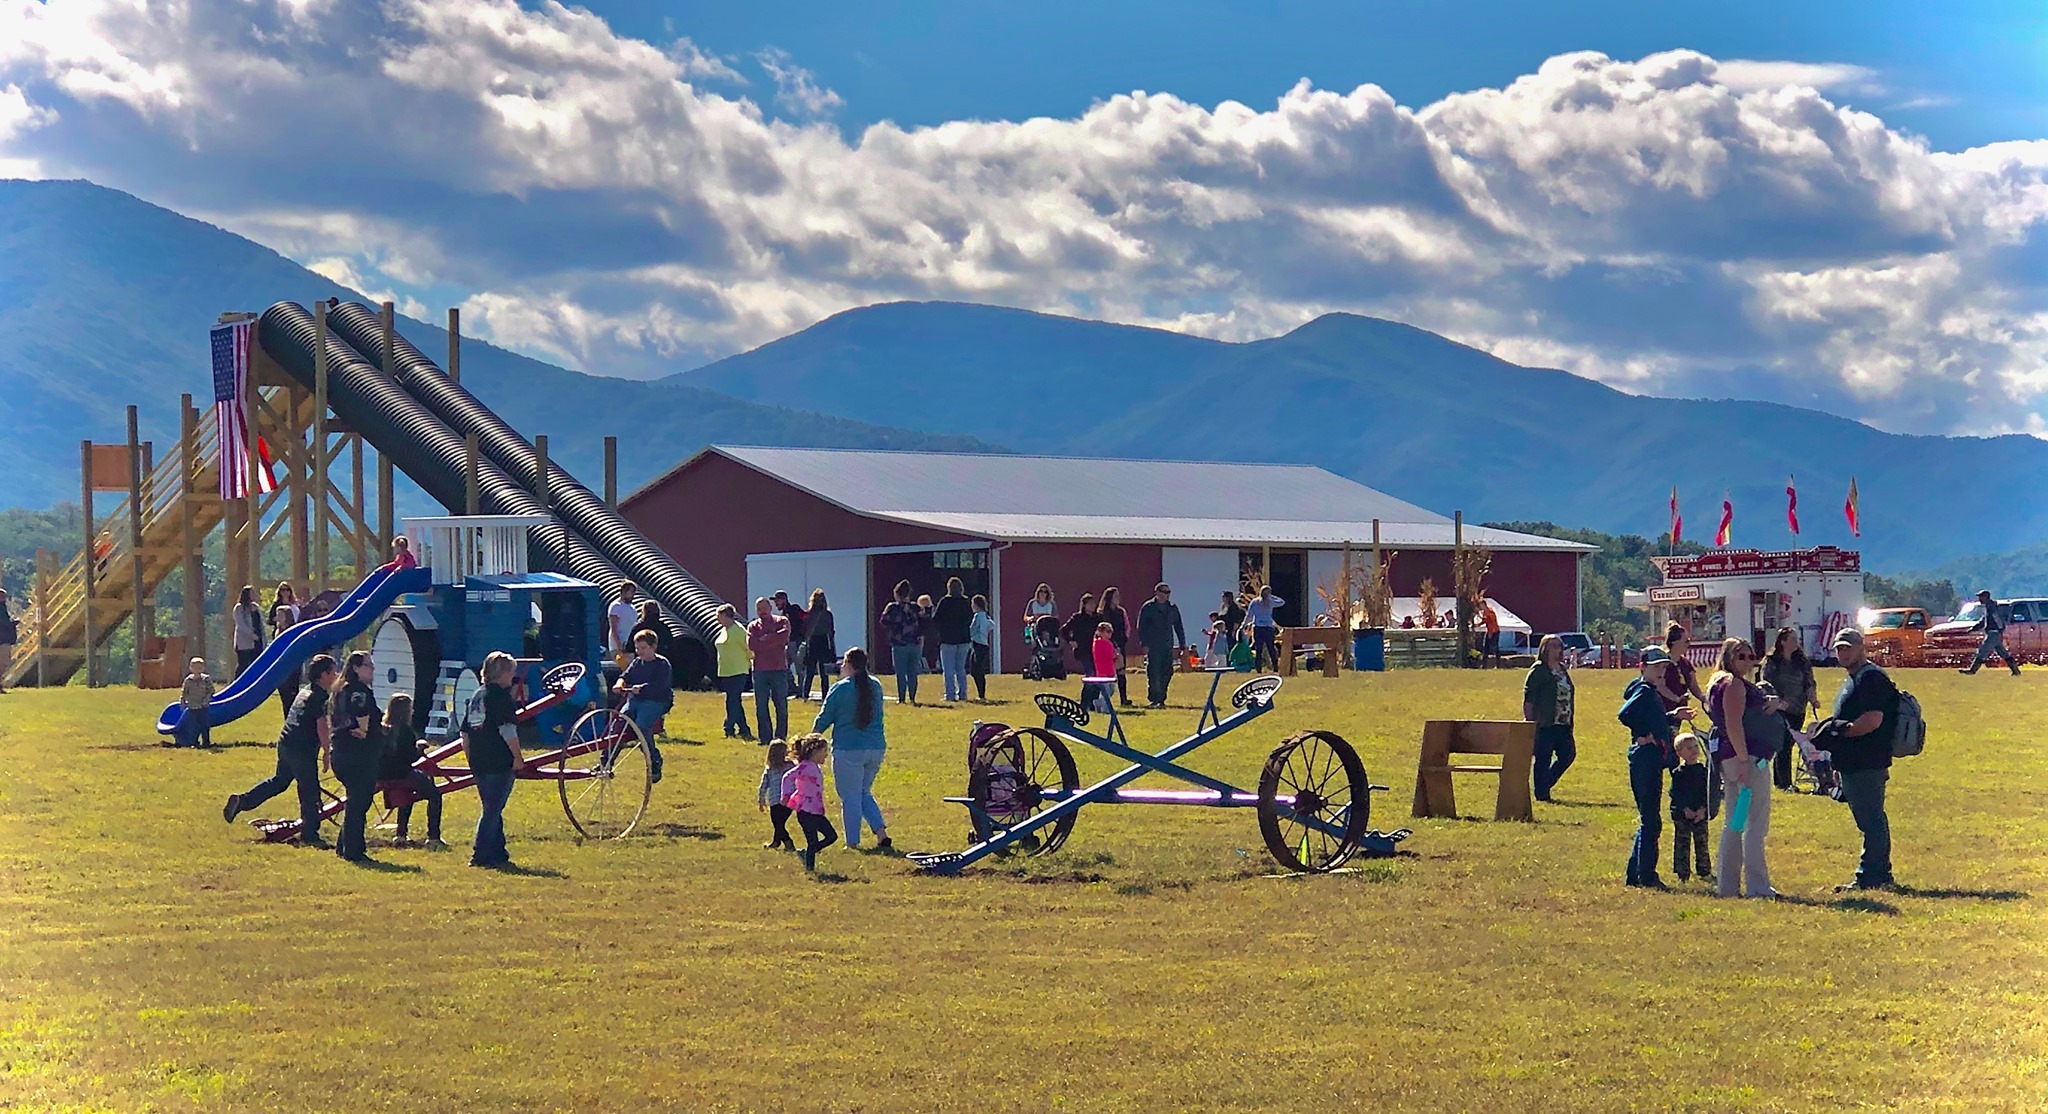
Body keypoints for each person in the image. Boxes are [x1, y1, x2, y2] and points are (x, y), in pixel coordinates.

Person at [1812, 628, 1900, 890]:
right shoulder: (1855, 677)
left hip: (1867, 761)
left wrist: (1841, 731)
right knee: (1869, 819)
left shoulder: (1870, 679)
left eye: (1848, 647)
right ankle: (1877, 873)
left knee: (1871, 820)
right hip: (1854, 761)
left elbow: (1874, 719)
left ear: (1862, 647)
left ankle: (1872, 876)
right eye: (1839, 648)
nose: (1843, 652)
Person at [222, 653, 337, 847]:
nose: (336, 675)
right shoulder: (319, 696)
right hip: (301, 748)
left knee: (280, 782)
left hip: (286, 742)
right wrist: (328, 751)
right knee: (309, 789)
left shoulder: (305, 691)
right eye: (334, 671)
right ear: (324, 675)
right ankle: (310, 835)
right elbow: (321, 726)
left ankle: (243, 801)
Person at [1618, 646, 1693, 888]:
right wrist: (1643, 734)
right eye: (1656, 667)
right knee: (1651, 821)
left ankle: (1635, 875)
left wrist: (1672, 715)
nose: (1661, 671)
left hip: (1648, 758)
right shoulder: (1644, 691)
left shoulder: (1648, 692)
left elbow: (1652, 716)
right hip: (1646, 759)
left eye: (1663, 666)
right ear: (1642, 668)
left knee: (1648, 819)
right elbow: (1625, 714)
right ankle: (1647, 877)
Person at [1706, 638, 1776, 899]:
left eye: (1751, 656)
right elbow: (1733, 723)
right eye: (1741, 657)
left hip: (1730, 758)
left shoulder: (1716, 682)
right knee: (1755, 824)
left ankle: (1728, 886)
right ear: (1728, 657)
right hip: (1746, 760)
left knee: (1735, 822)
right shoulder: (1732, 684)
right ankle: (1758, 887)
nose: (1748, 662)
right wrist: (1745, 759)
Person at [813, 646, 890, 851]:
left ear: (848, 664)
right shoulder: (876, 685)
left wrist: (812, 737)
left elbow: (825, 717)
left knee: (850, 796)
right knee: (863, 791)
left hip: (849, 748)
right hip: (875, 746)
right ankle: (881, 832)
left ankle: (852, 842)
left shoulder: (840, 688)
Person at [462, 651, 523, 868]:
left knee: (491, 806)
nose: (512, 677)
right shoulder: (501, 698)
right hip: (498, 760)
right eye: (511, 673)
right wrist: (517, 757)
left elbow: (465, 734)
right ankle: (480, 854)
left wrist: (470, 759)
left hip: (479, 760)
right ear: (503, 673)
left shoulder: (478, 695)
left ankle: (499, 852)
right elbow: (507, 730)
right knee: (492, 810)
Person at [331, 650, 385, 863]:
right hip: (357, 755)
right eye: (368, 666)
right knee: (359, 803)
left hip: (341, 752)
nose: (372, 670)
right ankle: (353, 851)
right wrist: (364, 730)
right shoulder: (359, 692)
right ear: (355, 668)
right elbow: (362, 719)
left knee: (355, 801)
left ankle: (343, 845)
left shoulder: (339, 689)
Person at [380, 694, 443, 849]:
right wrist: (419, 749)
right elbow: (410, 758)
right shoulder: (406, 731)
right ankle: (433, 837)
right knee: (435, 795)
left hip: (382, 774)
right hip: (401, 774)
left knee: (406, 795)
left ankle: (401, 834)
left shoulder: (383, 729)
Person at [1762, 626, 1820, 790]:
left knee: (1789, 744)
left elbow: (1809, 682)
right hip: (1779, 709)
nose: (1796, 642)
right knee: (1784, 744)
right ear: (1782, 642)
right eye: (1792, 639)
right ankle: (1785, 783)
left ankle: (1780, 781)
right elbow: (1766, 684)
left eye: (1797, 639)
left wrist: (1813, 699)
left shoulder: (1802, 662)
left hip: (1798, 709)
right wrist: (1778, 701)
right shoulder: (1772, 662)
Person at [1522, 634, 1577, 801]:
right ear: (1544, 648)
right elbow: (1529, 698)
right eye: (1553, 646)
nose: (1557, 649)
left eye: (1559, 646)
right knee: (1543, 758)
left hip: (1563, 722)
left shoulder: (1562, 669)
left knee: (1568, 755)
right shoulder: (1538, 670)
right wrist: (1530, 722)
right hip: (1545, 722)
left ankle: (1545, 784)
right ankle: (1542, 793)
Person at [614, 629, 672, 783]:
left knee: (642, 724)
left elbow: (661, 686)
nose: (640, 652)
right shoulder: (636, 663)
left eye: (644, 648)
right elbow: (625, 676)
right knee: (619, 723)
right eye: (638, 648)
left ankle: (654, 760)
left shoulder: (662, 664)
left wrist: (642, 688)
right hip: (636, 700)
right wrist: (619, 684)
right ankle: (606, 761)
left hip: (657, 701)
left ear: (653, 647)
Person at [782, 733, 838, 871]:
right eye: (824, 751)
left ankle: (808, 853)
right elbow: (787, 777)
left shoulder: (814, 767)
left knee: (831, 836)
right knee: (812, 840)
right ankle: (810, 868)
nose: (826, 754)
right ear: (814, 751)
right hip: (805, 811)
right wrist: (786, 796)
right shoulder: (805, 766)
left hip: (816, 810)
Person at [1669, 733, 1712, 883]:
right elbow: (1675, 793)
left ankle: (1704, 870)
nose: (1694, 751)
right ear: (1679, 753)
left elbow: (1707, 792)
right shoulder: (1678, 773)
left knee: (1702, 842)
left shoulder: (1704, 772)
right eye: (1688, 748)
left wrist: (1703, 809)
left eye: (1695, 747)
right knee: (1682, 843)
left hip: (1700, 813)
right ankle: (1682, 872)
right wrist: (1685, 809)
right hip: (1682, 815)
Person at [749, 596, 793, 742]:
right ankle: (765, 738)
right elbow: (752, 645)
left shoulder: (782, 622)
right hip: (760, 670)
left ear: (770, 608)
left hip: (778, 669)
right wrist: (772, 640)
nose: (762, 611)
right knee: (761, 705)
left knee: (781, 704)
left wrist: (765, 639)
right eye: (759, 609)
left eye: (764, 608)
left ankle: (780, 736)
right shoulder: (753, 626)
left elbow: (783, 637)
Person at [1136, 582, 1187, 708]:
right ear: (1157, 593)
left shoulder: (1172, 608)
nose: (1167, 595)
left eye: (1169, 592)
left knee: (1167, 671)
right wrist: (1144, 643)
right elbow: (1141, 627)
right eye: (1165, 592)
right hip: (1153, 644)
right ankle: (1154, 698)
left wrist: (1182, 645)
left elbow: (1178, 627)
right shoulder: (1148, 607)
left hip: (1167, 644)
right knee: (1154, 671)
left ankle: (1162, 697)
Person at [712, 603, 754, 739]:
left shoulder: (738, 631)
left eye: (719, 616)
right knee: (734, 700)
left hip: (738, 670)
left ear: (726, 616)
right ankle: (744, 729)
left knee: (732, 700)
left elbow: (748, 649)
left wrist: (749, 663)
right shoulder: (724, 630)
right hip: (726, 670)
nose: (717, 619)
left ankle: (728, 727)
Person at [879, 581, 924, 706]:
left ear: (897, 594)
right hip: (915, 644)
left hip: (899, 644)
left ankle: (902, 698)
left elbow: (883, 621)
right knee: (912, 672)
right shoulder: (915, 607)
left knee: (900, 672)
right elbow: (924, 620)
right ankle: (913, 698)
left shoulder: (892, 608)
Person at [1959, 589, 2020, 676]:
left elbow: (1997, 619)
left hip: (1993, 634)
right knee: (2003, 653)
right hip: (1995, 634)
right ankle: (2016, 671)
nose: (1979, 599)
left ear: (1985, 597)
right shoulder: (1989, 606)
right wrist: (1973, 628)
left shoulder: (1991, 607)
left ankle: (1972, 670)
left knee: (1982, 651)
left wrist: (1999, 629)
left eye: (1980, 597)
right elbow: (1984, 621)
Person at [934, 577, 974, 703]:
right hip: (963, 638)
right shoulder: (966, 601)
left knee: (948, 669)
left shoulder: (945, 601)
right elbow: (970, 618)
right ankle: (963, 693)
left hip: (947, 638)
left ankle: (950, 694)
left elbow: (936, 618)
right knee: (961, 668)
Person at [796, 589, 837, 701]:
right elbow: (831, 632)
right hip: (823, 642)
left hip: (812, 642)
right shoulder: (828, 615)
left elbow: (804, 630)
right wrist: (833, 649)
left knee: (810, 671)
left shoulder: (808, 615)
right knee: (824, 673)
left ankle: (805, 694)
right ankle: (825, 695)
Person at [270, 583, 303, 716]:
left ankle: (293, 718)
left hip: (291, 667)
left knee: (292, 695)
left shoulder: (291, 631)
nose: (277, 618)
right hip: (281, 667)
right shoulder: (277, 631)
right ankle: (287, 718)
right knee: (284, 695)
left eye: (280, 615)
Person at [758, 740, 796, 851]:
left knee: (778, 823)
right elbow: (764, 785)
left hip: (780, 800)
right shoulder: (788, 766)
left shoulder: (778, 768)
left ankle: (788, 843)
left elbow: (763, 786)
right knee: (779, 823)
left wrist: (761, 799)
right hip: (785, 800)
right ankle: (776, 841)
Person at [1099, 586, 1132, 706]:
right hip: (1107, 645)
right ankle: (1102, 699)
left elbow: (1127, 626)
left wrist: (1125, 639)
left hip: (1120, 644)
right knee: (1106, 673)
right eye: (1115, 596)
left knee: (1121, 672)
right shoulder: (1103, 613)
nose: (1118, 598)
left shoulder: (1121, 612)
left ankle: (1124, 698)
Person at [1245, 586, 1285, 672]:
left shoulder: (1255, 602)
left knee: (1258, 649)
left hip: (1258, 627)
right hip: (1268, 627)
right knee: (1271, 648)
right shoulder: (1270, 602)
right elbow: (1282, 602)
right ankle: (1275, 666)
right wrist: (1271, 596)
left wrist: (1243, 625)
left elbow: (1249, 615)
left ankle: (1258, 668)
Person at [177, 657, 215, 748]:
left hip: (203, 706)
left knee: (204, 725)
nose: (197, 670)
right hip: (192, 706)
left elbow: (211, 690)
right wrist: (182, 700)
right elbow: (184, 691)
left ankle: (206, 742)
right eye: (194, 667)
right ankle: (194, 742)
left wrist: (206, 699)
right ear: (190, 668)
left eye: (199, 667)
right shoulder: (188, 680)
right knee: (193, 726)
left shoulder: (206, 679)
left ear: (203, 668)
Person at [1061, 593, 1101, 678]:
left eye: (1093, 603)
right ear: (1084, 605)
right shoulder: (1077, 618)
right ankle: (1088, 690)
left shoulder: (1098, 618)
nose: (1093, 606)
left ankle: (1091, 691)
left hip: (1096, 650)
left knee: (1097, 674)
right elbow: (1064, 630)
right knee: (1091, 673)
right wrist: (1070, 641)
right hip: (1082, 650)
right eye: (1090, 604)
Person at [1082, 621, 1117, 712]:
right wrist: (1112, 656)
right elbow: (1100, 656)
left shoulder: (1110, 643)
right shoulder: (1098, 643)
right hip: (1102, 670)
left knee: (1112, 689)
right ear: (1100, 632)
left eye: (1111, 632)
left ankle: (1098, 702)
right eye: (1107, 631)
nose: (1110, 634)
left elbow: (1113, 655)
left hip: (1111, 669)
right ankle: (1105, 709)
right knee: (1106, 691)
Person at [232, 585, 265, 679]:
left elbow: (260, 623)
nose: (254, 595)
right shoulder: (239, 608)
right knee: (243, 664)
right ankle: (237, 683)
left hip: (257, 640)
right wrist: (250, 634)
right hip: (244, 642)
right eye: (252, 593)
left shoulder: (255, 607)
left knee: (256, 663)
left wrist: (261, 637)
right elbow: (240, 624)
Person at [967, 594, 996, 701]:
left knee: (975, 670)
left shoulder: (977, 616)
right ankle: (981, 693)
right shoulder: (985, 616)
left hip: (977, 644)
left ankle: (981, 694)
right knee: (978, 669)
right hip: (984, 644)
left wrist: (969, 634)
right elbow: (992, 625)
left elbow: (973, 628)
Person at [606, 581, 640, 662]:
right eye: (631, 592)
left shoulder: (632, 608)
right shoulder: (616, 606)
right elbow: (614, 627)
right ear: (624, 592)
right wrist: (619, 644)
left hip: (629, 645)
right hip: (618, 645)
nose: (633, 595)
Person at [916, 594, 941, 673]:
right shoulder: (934, 612)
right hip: (933, 636)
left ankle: (926, 668)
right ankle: (935, 667)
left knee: (923, 653)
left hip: (925, 636)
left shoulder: (919, 614)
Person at [0, 588, 17, 693]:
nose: (5, 598)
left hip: (4, 639)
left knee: (4, 662)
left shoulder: (3, 608)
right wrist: (13, 623)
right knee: (4, 662)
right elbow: (3, 623)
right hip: (2, 640)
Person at [1479, 598, 1502, 668]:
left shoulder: (1490, 612)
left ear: (1483, 605)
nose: (1480, 607)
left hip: (1494, 631)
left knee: (1495, 648)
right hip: (1489, 631)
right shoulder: (1485, 613)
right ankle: (1484, 665)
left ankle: (1498, 664)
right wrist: (1478, 624)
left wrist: (1491, 633)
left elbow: (1492, 623)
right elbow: (1485, 621)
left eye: (1480, 605)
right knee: (1486, 647)